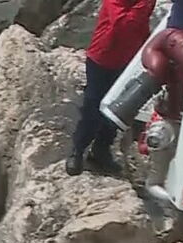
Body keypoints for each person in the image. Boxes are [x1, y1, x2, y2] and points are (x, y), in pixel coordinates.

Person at [66, 0, 156, 176]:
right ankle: (78, 151)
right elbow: (122, 23)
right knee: (92, 107)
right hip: (102, 58)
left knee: (117, 109)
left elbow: (138, 25)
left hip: (128, 61)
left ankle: (101, 150)